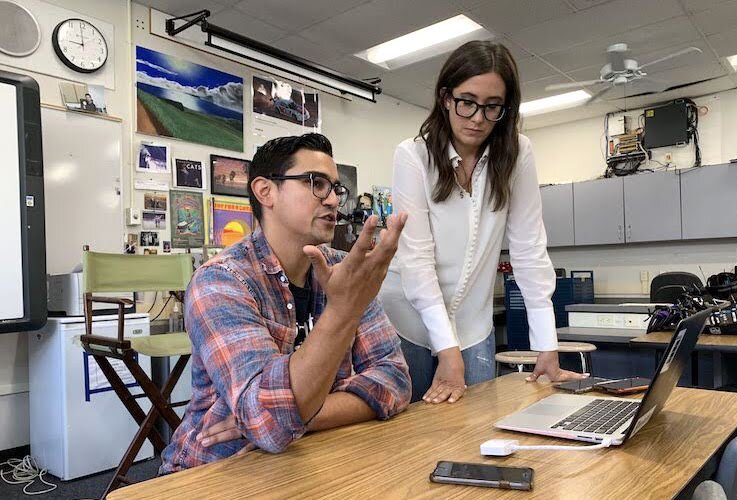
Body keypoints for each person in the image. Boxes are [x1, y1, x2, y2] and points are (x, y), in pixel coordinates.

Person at [159, 133, 411, 474]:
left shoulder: (343, 268)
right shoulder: (221, 280)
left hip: (311, 458)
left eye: (336, 188)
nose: (334, 201)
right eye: (316, 183)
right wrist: (342, 312)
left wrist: (301, 415)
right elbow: (268, 422)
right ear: (266, 191)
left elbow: (394, 380)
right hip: (215, 470)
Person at [380, 40, 586, 406]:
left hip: (475, 324)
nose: (477, 118)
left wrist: (547, 346)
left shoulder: (517, 154)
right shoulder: (413, 156)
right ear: (445, 97)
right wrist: (446, 349)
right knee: (408, 437)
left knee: (473, 433)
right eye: (467, 101)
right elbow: (416, 262)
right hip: (407, 322)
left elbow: (529, 249)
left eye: (493, 107)